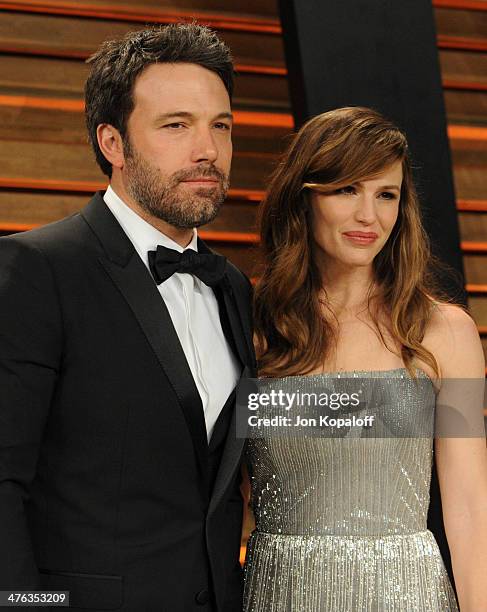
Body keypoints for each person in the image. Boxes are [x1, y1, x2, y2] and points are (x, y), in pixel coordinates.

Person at [0, 23, 256, 612]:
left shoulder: (235, 287)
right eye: (176, 125)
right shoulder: (39, 269)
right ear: (113, 143)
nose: (208, 150)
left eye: (221, 126)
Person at [243, 107, 487, 611]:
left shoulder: (447, 333)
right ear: (303, 198)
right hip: (277, 595)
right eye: (346, 190)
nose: (368, 217)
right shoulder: (255, 330)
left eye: (386, 195)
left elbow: (469, 508)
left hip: (406, 596)